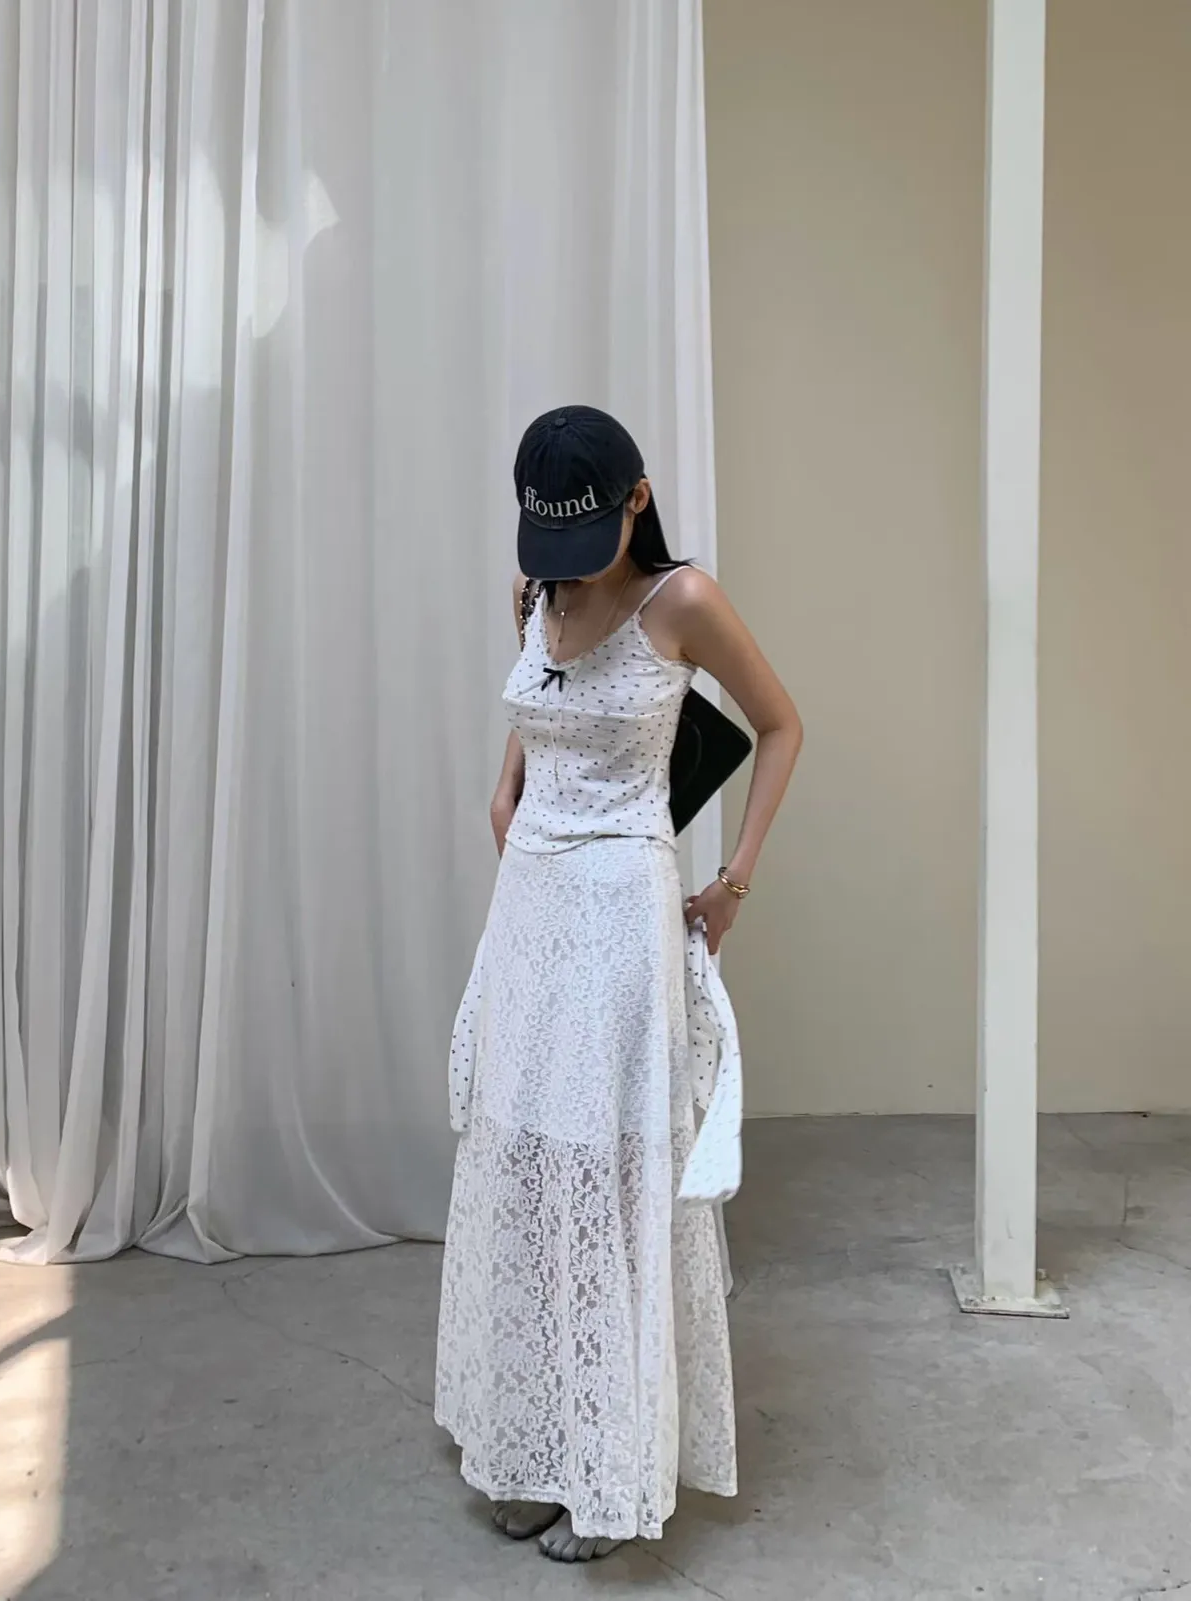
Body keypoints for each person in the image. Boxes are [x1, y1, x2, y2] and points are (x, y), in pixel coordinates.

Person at [434, 406, 802, 1562]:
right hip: (533, 908)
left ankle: (611, 1468)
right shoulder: (540, 586)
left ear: (636, 498)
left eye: (585, 538)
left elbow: (782, 726)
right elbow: (535, 714)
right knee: (527, 1158)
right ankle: (536, 1439)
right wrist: (508, 793)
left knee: (607, 1171)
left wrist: (733, 881)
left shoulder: (680, 602)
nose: (565, 567)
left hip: (622, 910)